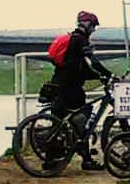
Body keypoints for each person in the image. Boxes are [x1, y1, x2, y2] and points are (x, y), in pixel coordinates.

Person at [41, 11, 115, 170]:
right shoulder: (80, 40)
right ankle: (86, 160)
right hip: (70, 88)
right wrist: (109, 74)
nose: (94, 29)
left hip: (59, 84)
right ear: (87, 24)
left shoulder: (73, 40)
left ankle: (51, 160)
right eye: (93, 26)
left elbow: (80, 68)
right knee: (82, 121)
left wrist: (97, 76)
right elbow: (92, 62)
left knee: (61, 122)